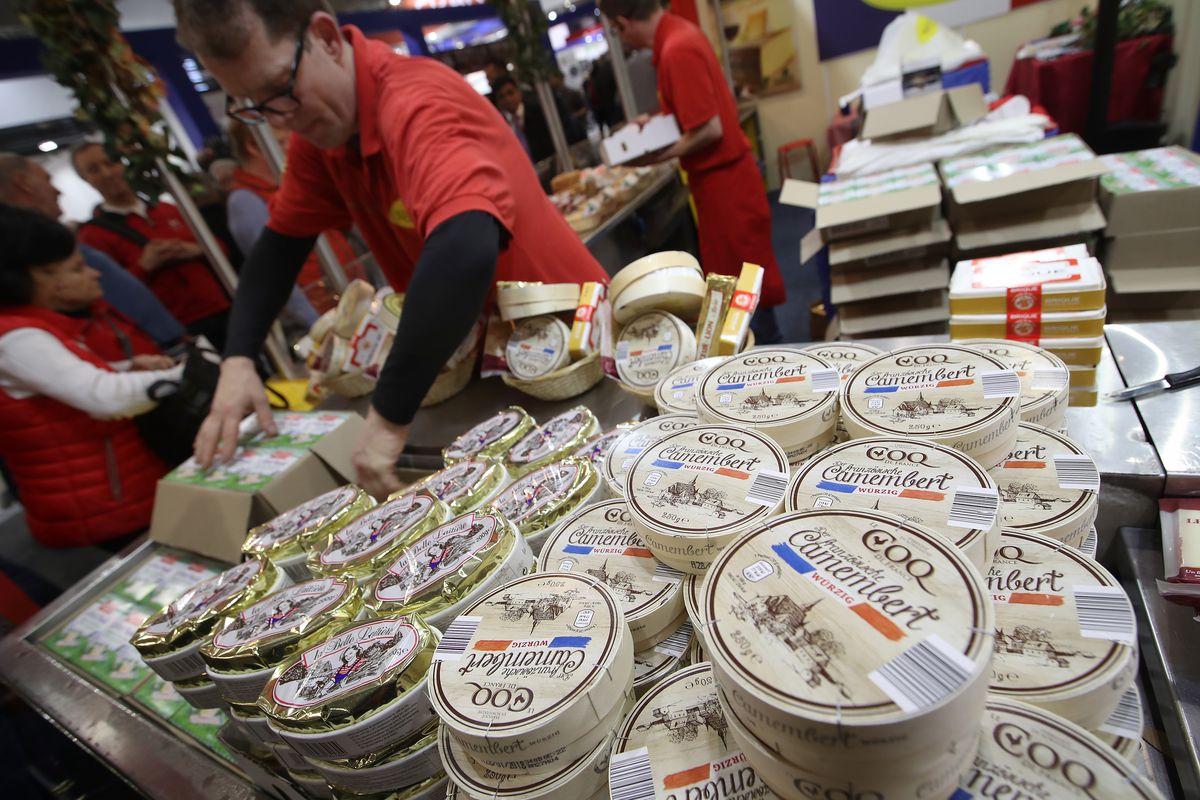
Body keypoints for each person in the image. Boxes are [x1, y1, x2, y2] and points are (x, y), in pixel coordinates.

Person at [173, 0, 608, 499]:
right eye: (252, 104)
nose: (280, 121)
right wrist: (238, 360)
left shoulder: (417, 101)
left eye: (279, 90)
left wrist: (385, 418)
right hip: (491, 371)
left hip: (576, 355)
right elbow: (279, 248)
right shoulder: (323, 137)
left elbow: (465, 248)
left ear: (326, 38)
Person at [599, 0, 786, 343]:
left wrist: (655, 155)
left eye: (615, 31)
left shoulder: (676, 49)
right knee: (741, 289)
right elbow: (695, 116)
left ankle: (771, 365)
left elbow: (710, 129)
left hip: (725, 187)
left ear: (623, 23)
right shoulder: (679, 37)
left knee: (743, 297)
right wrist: (655, 125)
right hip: (721, 184)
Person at [0, 204, 181, 548]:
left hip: (110, 491)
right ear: (36, 276)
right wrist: (184, 377)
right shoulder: (17, 338)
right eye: (77, 268)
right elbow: (105, 397)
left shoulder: (28, 327)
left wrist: (127, 368)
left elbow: (56, 385)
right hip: (102, 502)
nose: (94, 274)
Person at [0, 152, 185, 348]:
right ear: (24, 184)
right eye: (47, 180)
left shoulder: (42, 245)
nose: (57, 191)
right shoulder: (42, 249)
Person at [72, 142, 233, 350]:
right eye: (94, 170)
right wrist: (144, 266)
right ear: (87, 180)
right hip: (178, 330)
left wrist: (195, 250)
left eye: (110, 163)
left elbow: (221, 248)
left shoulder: (166, 209)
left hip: (223, 308)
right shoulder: (93, 235)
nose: (107, 173)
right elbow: (109, 294)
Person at [226, 118, 353, 331]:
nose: (291, 148)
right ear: (255, 146)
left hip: (346, 294)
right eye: (284, 142)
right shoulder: (244, 200)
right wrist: (319, 325)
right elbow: (274, 270)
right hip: (324, 312)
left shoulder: (290, 182)